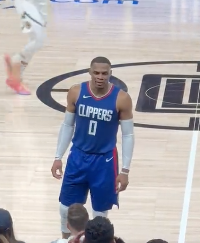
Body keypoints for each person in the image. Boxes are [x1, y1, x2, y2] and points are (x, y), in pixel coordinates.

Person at [51, 56, 135, 238]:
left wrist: (125, 170)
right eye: (96, 72)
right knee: (66, 209)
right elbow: (67, 126)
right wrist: (58, 156)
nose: (100, 76)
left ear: (110, 74)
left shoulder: (121, 98)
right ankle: (68, 241)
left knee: (100, 216)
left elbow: (128, 135)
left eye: (104, 73)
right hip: (78, 157)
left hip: (104, 161)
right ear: (90, 72)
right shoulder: (76, 92)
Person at [4, 0, 47, 95]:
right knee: (37, 39)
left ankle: (16, 74)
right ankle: (15, 68)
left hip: (36, 4)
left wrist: (43, 15)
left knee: (38, 39)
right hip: (26, 4)